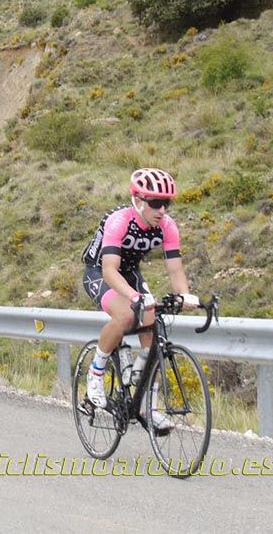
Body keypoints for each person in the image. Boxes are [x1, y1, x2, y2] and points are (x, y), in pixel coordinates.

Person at [80, 168, 200, 430]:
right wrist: (134, 296)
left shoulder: (167, 226)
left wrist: (184, 295)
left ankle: (148, 407)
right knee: (126, 315)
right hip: (101, 271)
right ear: (138, 201)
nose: (162, 210)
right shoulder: (118, 221)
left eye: (166, 203)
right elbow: (109, 270)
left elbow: (175, 270)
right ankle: (95, 374)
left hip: (130, 272)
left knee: (154, 331)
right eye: (155, 203)